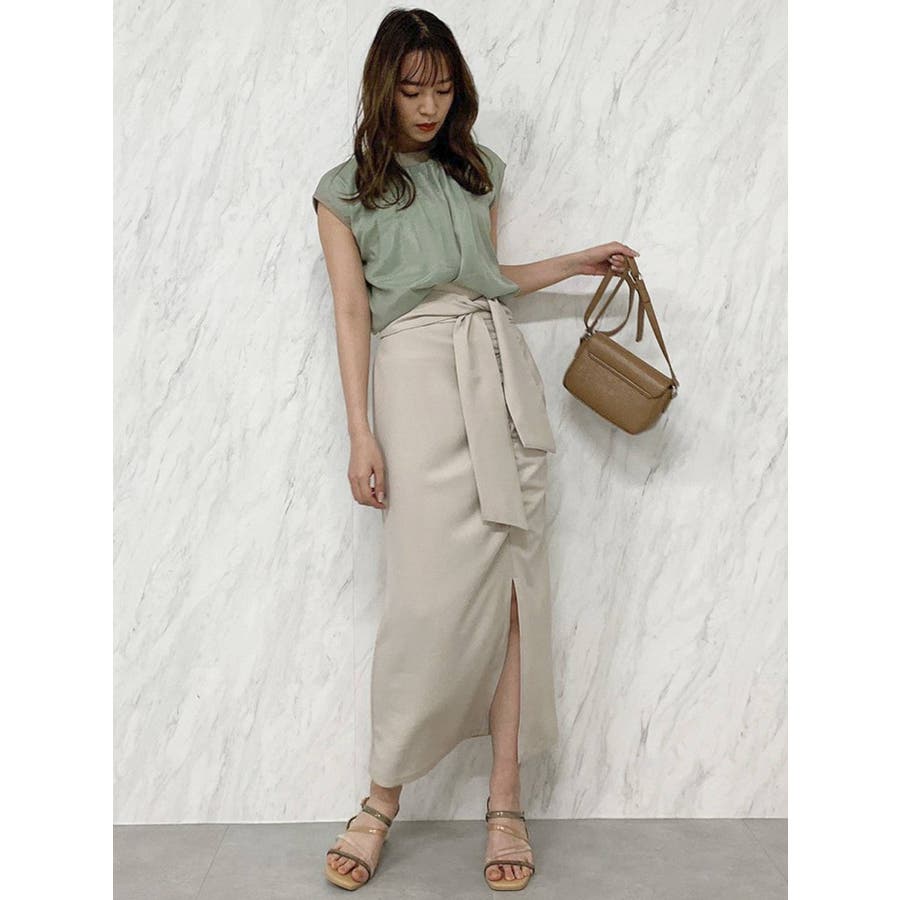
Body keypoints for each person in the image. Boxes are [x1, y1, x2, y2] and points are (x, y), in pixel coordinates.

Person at [313, 8, 638, 892]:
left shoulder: (477, 169)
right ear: (383, 89)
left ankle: (505, 804)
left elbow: (487, 281)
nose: (429, 106)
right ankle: (381, 797)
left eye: (444, 88)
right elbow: (353, 311)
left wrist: (574, 263)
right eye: (412, 89)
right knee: (423, 598)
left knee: (513, 590)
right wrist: (360, 431)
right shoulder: (342, 191)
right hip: (415, 377)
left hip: (496, 370)